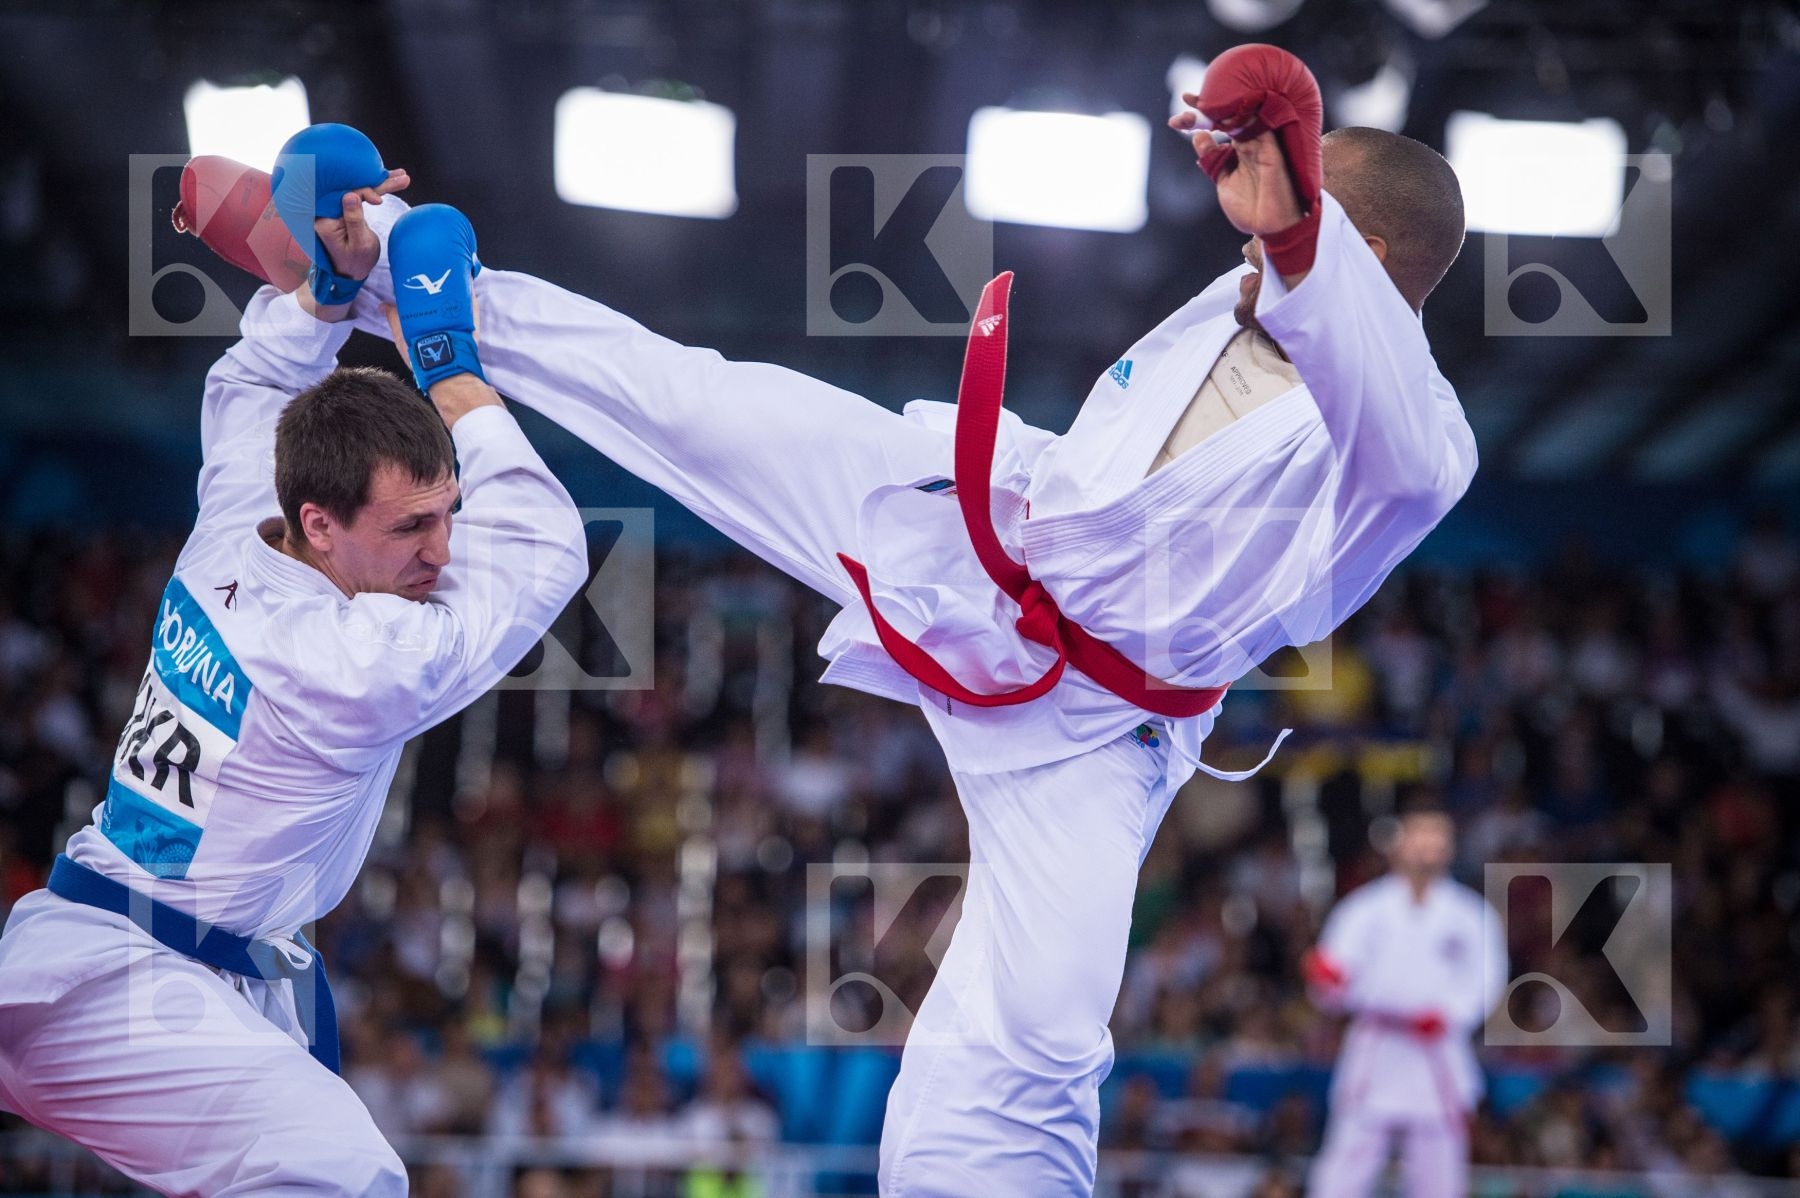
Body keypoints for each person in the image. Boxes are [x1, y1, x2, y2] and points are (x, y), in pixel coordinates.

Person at [195, 41, 1474, 1195]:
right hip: (975, 537)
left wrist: (1303, 239)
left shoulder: (1407, 446)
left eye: (1290, 226)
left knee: (1034, 1034)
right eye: (1259, 227)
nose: (1249, 246)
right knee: (697, 404)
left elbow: (1391, 415)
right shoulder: (1239, 298)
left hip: (1095, 730)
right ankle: (369, 264)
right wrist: (1286, 242)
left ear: (1359, 259)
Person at [0, 126, 587, 1193]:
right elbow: (547, 551)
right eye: (413, 529)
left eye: (450, 514)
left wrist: (324, 289)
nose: (444, 554)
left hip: (163, 963)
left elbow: (253, 378)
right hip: (126, 982)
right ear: (320, 524)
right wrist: (446, 357)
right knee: (349, 1179)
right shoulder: (349, 663)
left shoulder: (238, 513)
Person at [1303, 808, 1507, 1198]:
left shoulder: (1470, 914)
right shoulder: (1362, 910)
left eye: (1437, 839)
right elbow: (1335, 978)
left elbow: (1487, 979)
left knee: (1439, 1176)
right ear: (1398, 845)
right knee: (1342, 1172)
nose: (1427, 848)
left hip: (1436, 1048)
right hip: (1378, 1045)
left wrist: (1451, 1015)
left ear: (1449, 848)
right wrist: (1327, 981)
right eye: (1419, 837)